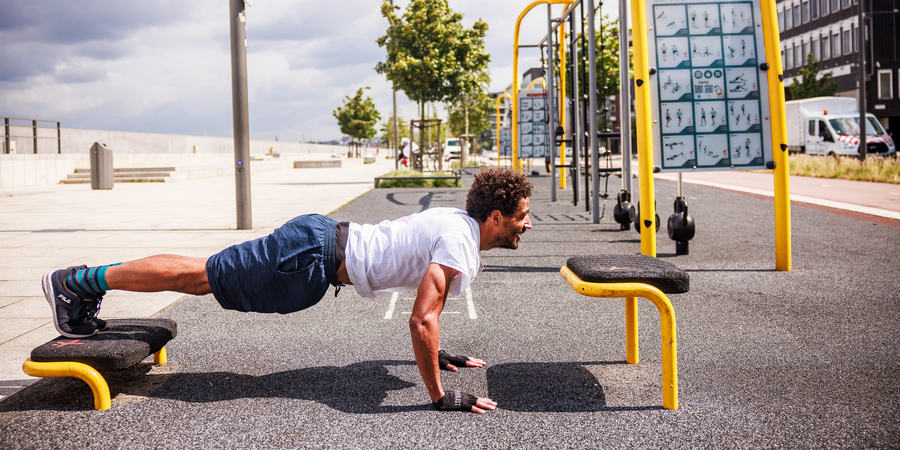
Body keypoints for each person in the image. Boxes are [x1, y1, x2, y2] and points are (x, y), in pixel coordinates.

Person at [42, 167, 534, 414]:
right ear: (495, 217)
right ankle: (75, 282)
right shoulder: (459, 242)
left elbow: (430, 308)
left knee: (204, 277)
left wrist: (438, 353)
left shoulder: (457, 226)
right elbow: (422, 317)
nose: (527, 225)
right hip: (308, 258)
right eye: (522, 216)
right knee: (200, 277)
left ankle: (82, 284)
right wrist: (439, 396)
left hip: (315, 252)